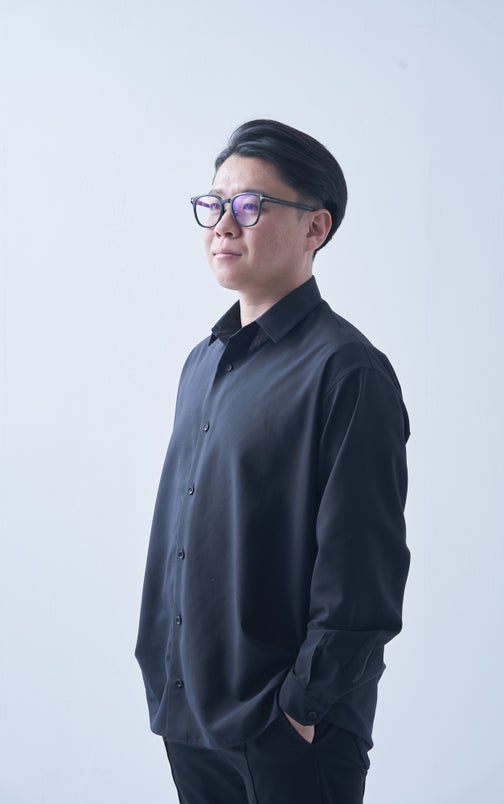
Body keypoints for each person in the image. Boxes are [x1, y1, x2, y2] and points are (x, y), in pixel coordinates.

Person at [135, 119, 410, 804]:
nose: (224, 224)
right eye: (214, 203)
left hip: (287, 729)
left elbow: (362, 566)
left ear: (316, 228)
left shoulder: (347, 370)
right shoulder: (203, 363)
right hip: (192, 715)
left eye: (250, 204)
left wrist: (302, 705)